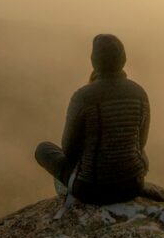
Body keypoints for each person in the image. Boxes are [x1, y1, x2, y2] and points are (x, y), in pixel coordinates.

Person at [35, 33, 150, 205]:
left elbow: (69, 150)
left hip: (91, 190)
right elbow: (141, 144)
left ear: (94, 61)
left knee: (43, 149)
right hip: (133, 185)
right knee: (135, 147)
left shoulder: (83, 97)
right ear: (123, 59)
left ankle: (68, 193)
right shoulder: (139, 93)